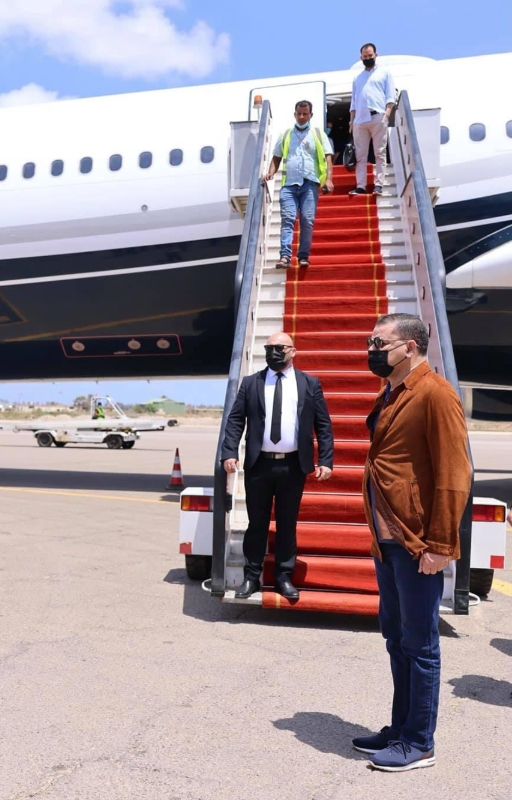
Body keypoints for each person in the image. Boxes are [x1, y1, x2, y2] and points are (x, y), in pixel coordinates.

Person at [351, 314, 471, 772]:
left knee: (420, 646)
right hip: (388, 541)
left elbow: (455, 473)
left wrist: (440, 544)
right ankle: (400, 728)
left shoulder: (435, 394)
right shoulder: (393, 391)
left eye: (379, 343)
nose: (372, 350)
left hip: (417, 541)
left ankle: (420, 742)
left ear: (410, 347)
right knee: (396, 638)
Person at [220, 332, 334, 601]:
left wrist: (325, 460)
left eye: (280, 347)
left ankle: (283, 576)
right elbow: (235, 420)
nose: (274, 352)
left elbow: (323, 424)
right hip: (259, 465)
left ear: (293, 351)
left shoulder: (309, 383)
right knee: (257, 523)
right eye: (269, 347)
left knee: (286, 523)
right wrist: (229, 452)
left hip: (293, 466)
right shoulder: (251, 383)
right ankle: (251, 577)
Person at [265, 100, 335, 269]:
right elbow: (276, 157)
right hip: (289, 185)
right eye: (299, 114)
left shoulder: (318, 134)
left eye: (305, 114)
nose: (302, 117)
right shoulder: (286, 134)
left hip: (309, 184)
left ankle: (303, 256)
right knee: (287, 219)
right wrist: (271, 172)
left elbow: (328, 157)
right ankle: (285, 256)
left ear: (311, 115)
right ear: (295, 114)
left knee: (306, 220)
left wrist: (329, 179)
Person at [349, 43, 397, 196]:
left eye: (370, 56)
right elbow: (353, 102)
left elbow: (391, 96)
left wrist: (386, 115)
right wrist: (351, 121)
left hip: (378, 116)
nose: (368, 58)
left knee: (379, 152)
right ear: (361, 57)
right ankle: (361, 186)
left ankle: (379, 184)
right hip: (360, 120)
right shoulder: (357, 78)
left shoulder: (385, 73)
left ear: (376, 55)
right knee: (360, 156)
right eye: (365, 56)